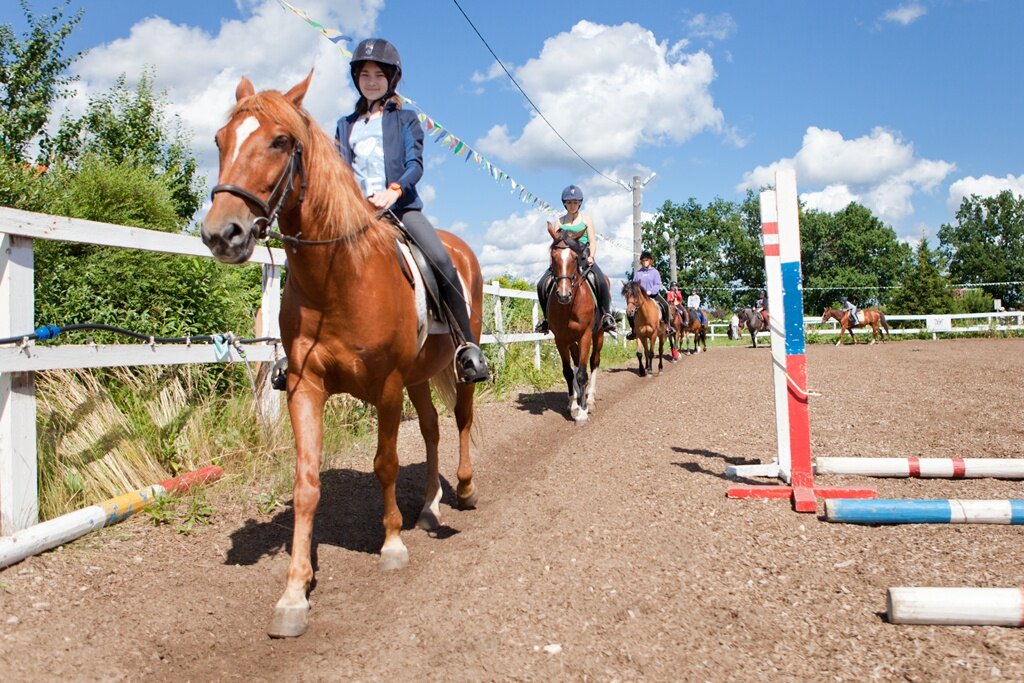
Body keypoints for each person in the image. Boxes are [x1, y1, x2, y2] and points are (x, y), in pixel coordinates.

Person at [335, 38, 488, 383]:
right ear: (356, 78)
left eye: (378, 74)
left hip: (399, 209)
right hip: (354, 214)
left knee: (441, 259)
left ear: (391, 79)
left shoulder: (406, 120)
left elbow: (414, 165)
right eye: (365, 74)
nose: (371, 80)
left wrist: (393, 192)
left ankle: (466, 346)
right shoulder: (345, 125)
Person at [534, 185, 616, 335]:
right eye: (569, 202)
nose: (572, 205)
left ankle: (606, 315)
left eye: (575, 202)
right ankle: (546, 319)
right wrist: (553, 262)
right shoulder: (559, 221)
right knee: (541, 284)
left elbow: (593, 240)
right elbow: (555, 244)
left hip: (583, 257)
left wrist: (591, 256)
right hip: (563, 260)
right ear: (564, 204)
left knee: (601, 280)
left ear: (580, 203)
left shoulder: (586, 220)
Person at [627, 250, 668, 339]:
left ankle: (668, 326)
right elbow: (634, 285)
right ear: (641, 261)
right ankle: (633, 329)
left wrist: (651, 291)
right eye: (643, 260)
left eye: (647, 260)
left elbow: (657, 284)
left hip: (653, 295)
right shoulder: (638, 273)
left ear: (650, 261)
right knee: (629, 310)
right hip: (640, 297)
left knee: (666, 305)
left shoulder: (655, 272)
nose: (645, 262)